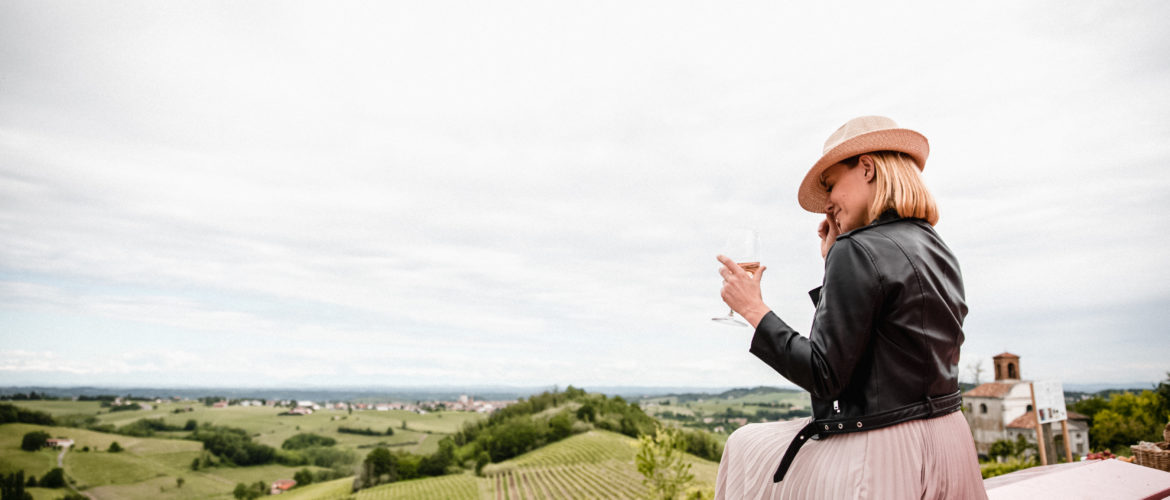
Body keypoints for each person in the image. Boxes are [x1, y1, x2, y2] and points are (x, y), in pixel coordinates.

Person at [714, 116, 986, 499]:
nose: (826, 204)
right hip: (951, 441)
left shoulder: (856, 248)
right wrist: (832, 265)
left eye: (831, 184)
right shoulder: (937, 246)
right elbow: (880, 342)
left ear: (867, 167)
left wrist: (753, 310)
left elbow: (824, 375)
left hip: (886, 448)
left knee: (745, 445)